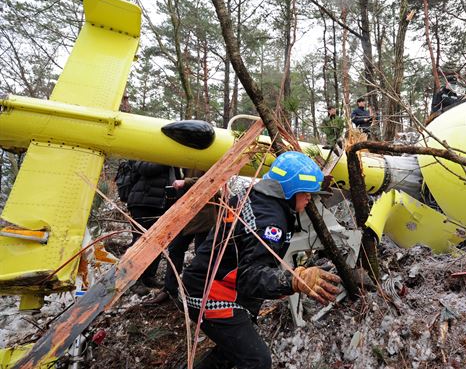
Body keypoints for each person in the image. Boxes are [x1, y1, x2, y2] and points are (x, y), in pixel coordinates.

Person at [181, 151, 342, 369]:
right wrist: (293, 280)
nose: (309, 198)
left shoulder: (258, 197)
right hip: (210, 293)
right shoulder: (269, 222)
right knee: (257, 361)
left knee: (231, 353)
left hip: (213, 283)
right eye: (306, 193)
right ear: (291, 190)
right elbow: (250, 276)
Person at [143, 169, 215, 305]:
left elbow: (215, 180)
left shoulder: (207, 155)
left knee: (202, 255)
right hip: (184, 213)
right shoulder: (180, 162)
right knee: (175, 249)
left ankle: (200, 294)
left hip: (204, 215)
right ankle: (170, 290)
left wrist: (186, 182)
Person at [126, 161, 182, 294]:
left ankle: (148, 276)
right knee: (140, 241)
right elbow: (144, 168)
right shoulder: (148, 149)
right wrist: (167, 159)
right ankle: (133, 280)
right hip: (143, 202)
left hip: (162, 204)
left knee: (157, 243)